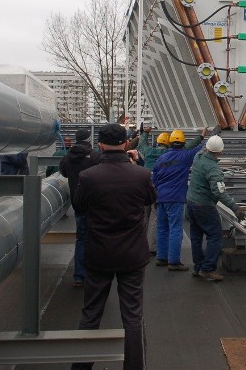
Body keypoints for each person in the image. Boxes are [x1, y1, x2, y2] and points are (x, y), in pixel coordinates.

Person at [71, 123, 156, 370]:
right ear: (127, 145)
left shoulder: (89, 176)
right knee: (132, 317)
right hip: (132, 255)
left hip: (99, 255)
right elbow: (151, 199)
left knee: (91, 315)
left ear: (100, 146)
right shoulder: (141, 174)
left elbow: (79, 206)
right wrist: (136, 164)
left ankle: (82, 366)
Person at [185, 135, 246, 281]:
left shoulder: (198, 157)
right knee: (215, 236)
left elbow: (202, 148)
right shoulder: (214, 170)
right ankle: (207, 269)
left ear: (207, 148)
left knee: (196, 236)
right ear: (220, 151)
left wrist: (214, 133)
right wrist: (235, 208)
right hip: (204, 206)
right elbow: (219, 193)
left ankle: (198, 266)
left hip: (190, 202)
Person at [151, 127, 208, 271]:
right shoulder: (185, 156)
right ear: (183, 143)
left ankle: (161, 257)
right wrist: (206, 136)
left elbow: (155, 178)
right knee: (175, 229)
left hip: (161, 198)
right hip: (175, 198)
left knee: (162, 228)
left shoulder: (161, 158)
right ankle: (174, 261)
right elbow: (200, 150)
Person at [59, 129, 98, 287]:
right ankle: (94, 274)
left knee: (81, 238)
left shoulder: (68, 157)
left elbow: (63, 173)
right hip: (95, 203)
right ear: (89, 139)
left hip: (78, 202)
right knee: (96, 238)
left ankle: (79, 276)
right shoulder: (94, 156)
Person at [136, 126, 172, 256]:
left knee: (145, 215)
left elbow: (141, 144)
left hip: (144, 186)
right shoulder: (167, 155)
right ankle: (151, 246)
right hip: (157, 188)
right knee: (155, 216)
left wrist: (145, 132)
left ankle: (141, 243)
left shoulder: (149, 151)